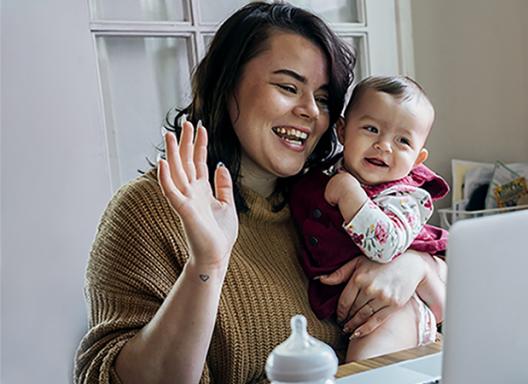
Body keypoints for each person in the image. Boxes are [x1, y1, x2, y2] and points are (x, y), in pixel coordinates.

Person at [73, 2, 447, 384]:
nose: (309, 112)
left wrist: (415, 265)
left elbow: (449, 311)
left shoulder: (324, 201)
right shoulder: (146, 210)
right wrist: (206, 267)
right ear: (227, 82)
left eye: (321, 98)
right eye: (288, 87)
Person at [290, 76, 448, 360]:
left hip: (398, 309)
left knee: (365, 366)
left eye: (403, 141)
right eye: (371, 129)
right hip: (347, 310)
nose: (384, 146)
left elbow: (387, 247)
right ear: (342, 130)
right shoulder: (319, 178)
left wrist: (349, 194)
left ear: (417, 159)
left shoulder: (407, 197)